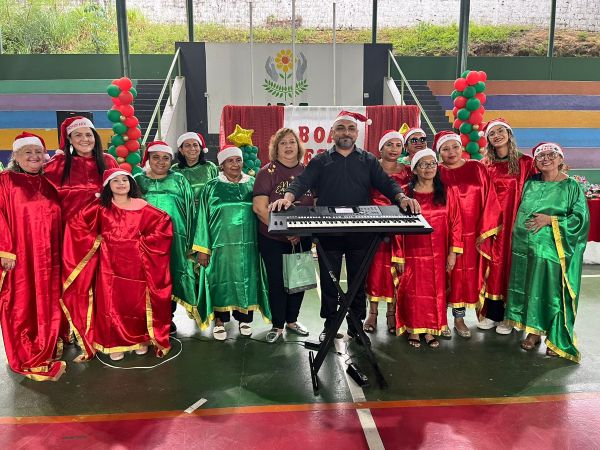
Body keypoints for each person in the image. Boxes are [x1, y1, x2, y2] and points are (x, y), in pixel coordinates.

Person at [271, 111, 420, 344]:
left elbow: (387, 183)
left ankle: (355, 326)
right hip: (328, 234)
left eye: (350, 129)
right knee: (330, 284)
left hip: (361, 234)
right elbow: (301, 182)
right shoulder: (320, 160)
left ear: (356, 133)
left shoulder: (368, 160)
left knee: (358, 283)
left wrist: (402, 198)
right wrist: (288, 197)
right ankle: (329, 326)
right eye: (341, 128)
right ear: (333, 133)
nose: (346, 133)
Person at [61, 168, 173, 361]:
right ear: (107, 186)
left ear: (131, 184)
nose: (121, 184)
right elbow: (76, 224)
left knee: (136, 304)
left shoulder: (142, 206)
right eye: (116, 181)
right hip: (109, 267)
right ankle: (114, 343)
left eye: (125, 180)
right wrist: (96, 240)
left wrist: (143, 243)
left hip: (137, 266)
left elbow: (163, 224)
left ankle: (140, 340)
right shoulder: (100, 207)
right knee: (111, 305)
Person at [505, 143, 589, 361]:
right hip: (528, 250)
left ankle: (556, 337)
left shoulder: (571, 186)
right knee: (532, 290)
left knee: (554, 293)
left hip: (556, 252)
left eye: (551, 154)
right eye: (540, 156)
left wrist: (552, 220)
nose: (546, 159)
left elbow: (580, 220)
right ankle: (533, 332)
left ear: (560, 159)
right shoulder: (531, 183)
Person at [0, 132, 65, 381]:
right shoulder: (6, 181)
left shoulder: (49, 182)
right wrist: (5, 249)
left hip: (51, 256)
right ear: (15, 155)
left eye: (38, 151)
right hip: (21, 256)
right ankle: (26, 351)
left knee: (49, 298)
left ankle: (48, 342)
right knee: (22, 302)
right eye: (27, 152)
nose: (34, 156)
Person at [193, 145, 271, 340]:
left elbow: (263, 211)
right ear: (221, 165)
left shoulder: (253, 184)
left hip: (250, 246)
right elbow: (201, 218)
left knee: (247, 279)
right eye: (230, 161)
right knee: (220, 281)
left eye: (238, 160)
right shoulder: (211, 187)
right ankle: (220, 321)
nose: (235, 164)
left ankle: (244, 319)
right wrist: (203, 249)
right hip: (220, 246)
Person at [436, 131, 502, 338]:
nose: (451, 152)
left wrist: (486, 230)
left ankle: (468, 316)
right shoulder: (436, 171)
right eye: (445, 149)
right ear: (439, 153)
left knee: (470, 276)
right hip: (446, 236)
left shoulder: (477, 168)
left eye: (455, 146)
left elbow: (490, 197)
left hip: (475, 235)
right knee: (448, 277)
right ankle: (446, 319)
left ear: (462, 147)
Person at [396, 149, 463, 348]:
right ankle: (413, 329)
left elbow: (456, 223)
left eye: (432, 163)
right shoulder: (405, 194)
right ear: (414, 169)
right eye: (423, 164)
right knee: (413, 291)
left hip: (439, 253)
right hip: (413, 252)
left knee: (435, 291)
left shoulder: (447, 192)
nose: (429, 168)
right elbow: (397, 228)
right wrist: (398, 255)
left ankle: (431, 329)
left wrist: (453, 252)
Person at [253, 128, 314, 343]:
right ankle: (278, 324)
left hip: (302, 237)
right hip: (273, 239)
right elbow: (260, 208)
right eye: (283, 143)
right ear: (275, 148)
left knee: (299, 280)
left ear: (299, 146)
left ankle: (292, 320)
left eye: (292, 142)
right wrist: (286, 231)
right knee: (277, 282)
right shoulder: (266, 173)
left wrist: (302, 232)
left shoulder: (308, 172)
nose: (288, 146)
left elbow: (315, 204)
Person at [135, 141, 198, 332]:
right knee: (146, 277)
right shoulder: (137, 180)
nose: (161, 162)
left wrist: (192, 240)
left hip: (175, 239)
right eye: (156, 157)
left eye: (165, 158)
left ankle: (167, 318)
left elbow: (191, 210)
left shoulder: (179, 180)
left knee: (172, 275)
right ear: (148, 158)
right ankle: (147, 319)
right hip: (145, 241)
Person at [481, 118, 536, 334]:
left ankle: (511, 317)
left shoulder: (526, 163)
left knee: (514, 268)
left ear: (509, 134)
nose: (497, 136)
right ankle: (493, 314)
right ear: (488, 140)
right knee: (494, 266)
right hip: (493, 226)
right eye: (492, 133)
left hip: (517, 224)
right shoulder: (485, 165)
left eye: (500, 131)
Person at [364, 130, 410, 335]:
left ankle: (392, 314)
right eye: (389, 145)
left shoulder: (409, 171)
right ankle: (372, 313)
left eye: (398, 145)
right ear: (380, 148)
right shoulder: (370, 169)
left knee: (396, 270)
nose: (394, 149)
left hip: (400, 230)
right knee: (374, 270)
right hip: (373, 228)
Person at [44, 116, 118, 226]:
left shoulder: (108, 161)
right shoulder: (58, 163)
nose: (85, 139)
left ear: (95, 137)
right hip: (69, 229)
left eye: (89, 135)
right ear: (70, 139)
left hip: (103, 227)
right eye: (78, 135)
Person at [171, 132, 219, 205]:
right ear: (181, 150)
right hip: (182, 210)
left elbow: (217, 191)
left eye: (195, 145)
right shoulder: (174, 169)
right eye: (187, 145)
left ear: (200, 148)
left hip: (206, 210)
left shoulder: (210, 167)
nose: (192, 148)